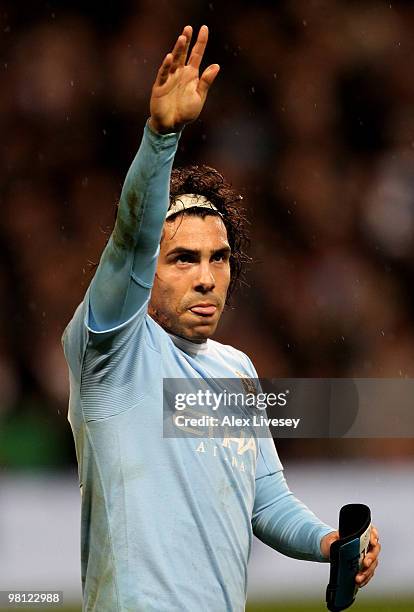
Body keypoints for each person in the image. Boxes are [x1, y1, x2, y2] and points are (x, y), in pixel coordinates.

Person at [62, 25, 380, 611]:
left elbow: (264, 498)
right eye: (182, 259)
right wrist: (161, 137)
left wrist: (327, 541)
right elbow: (132, 240)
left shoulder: (236, 370)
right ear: (146, 272)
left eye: (219, 258)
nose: (207, 277)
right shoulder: (110, 353)